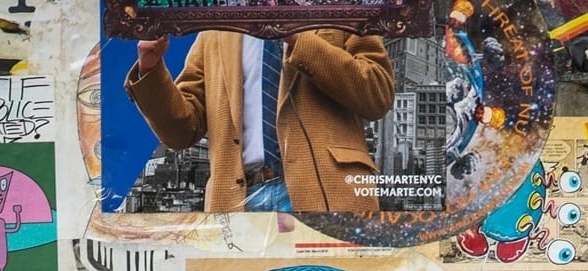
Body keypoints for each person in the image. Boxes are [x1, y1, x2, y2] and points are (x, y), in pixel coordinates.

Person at [124, 29, 397, 215]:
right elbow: (182, 131)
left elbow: (378, 94)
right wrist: (150, 66)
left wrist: (299, 37)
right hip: (236, 203)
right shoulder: (217, 29)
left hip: (328, 197)